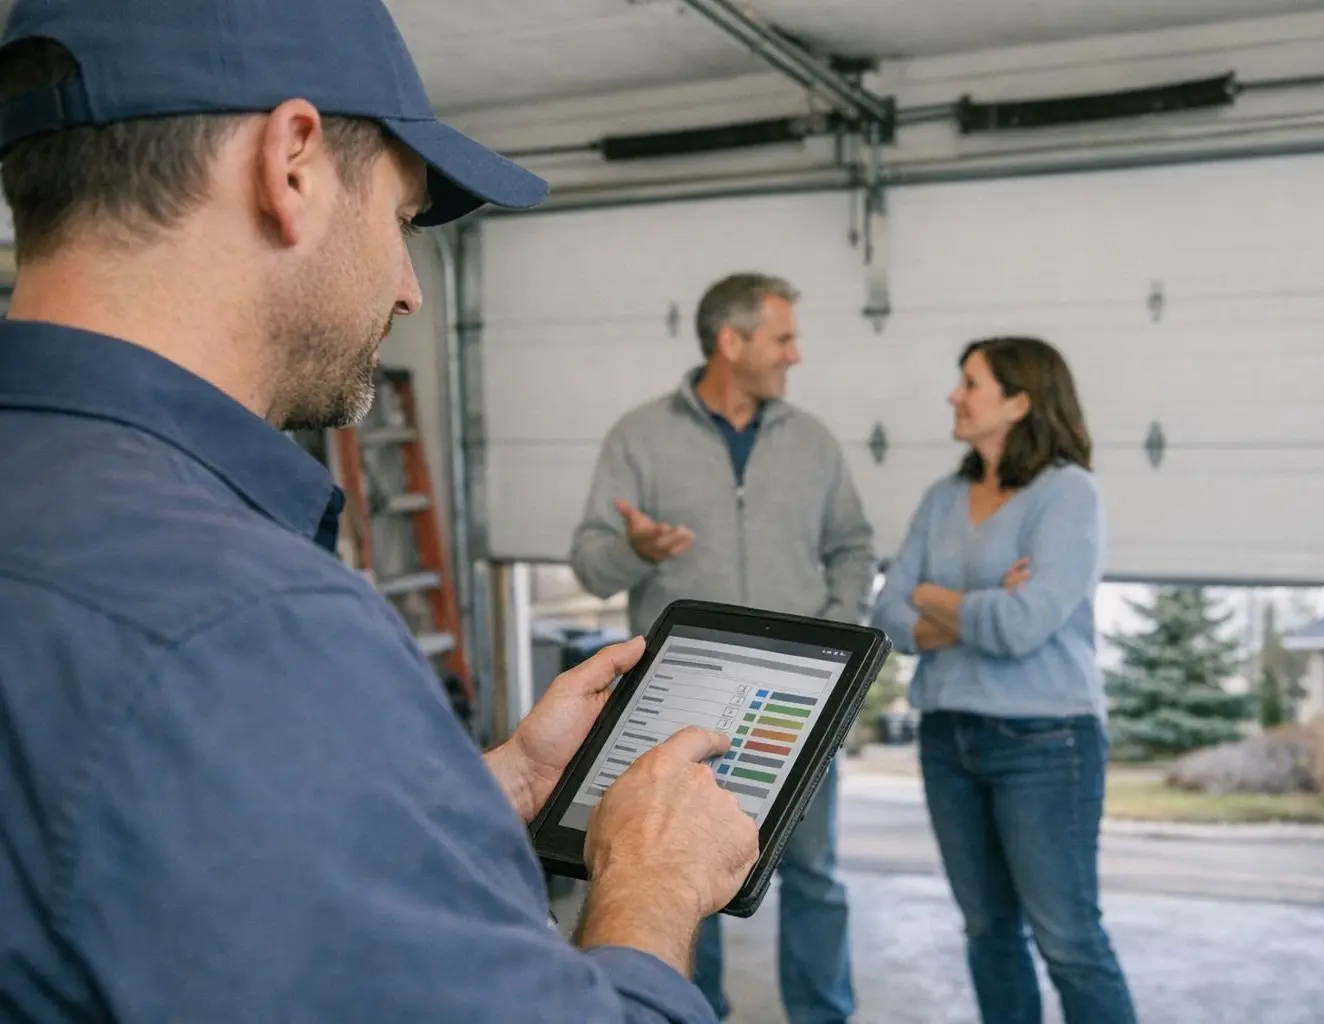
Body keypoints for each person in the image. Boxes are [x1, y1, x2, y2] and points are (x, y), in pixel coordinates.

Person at [0, 2, 760, 1021]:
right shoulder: (246, 625)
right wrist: (651, 881)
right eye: (402, 222)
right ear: (295, 164)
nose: (407, 290)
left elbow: (148, 871)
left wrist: (491, 789)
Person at [569, 273, 876, 1024]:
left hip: (799, 705)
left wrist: (834, 643)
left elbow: (852, 547)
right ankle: (687, 1011)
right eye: (783, 338)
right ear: (731, 342)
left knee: (813, 875)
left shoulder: (811, 442)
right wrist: (636, 550)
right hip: (680, 705)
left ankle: (822, 1015)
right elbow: (589, 562)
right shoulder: (638, 437)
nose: (794, 355)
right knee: (670, 870)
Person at [869, 336, 1139, 1024]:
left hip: (1045, 742)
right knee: (987, 932)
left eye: (970, 383)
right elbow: (888, 617)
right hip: (946, 735)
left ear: (1019, 401)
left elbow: (1025, 627)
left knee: (1067, 940)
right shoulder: (942, 496)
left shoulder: (1067, 495)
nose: (954, 395)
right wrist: (981, 600)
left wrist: (934, 594)